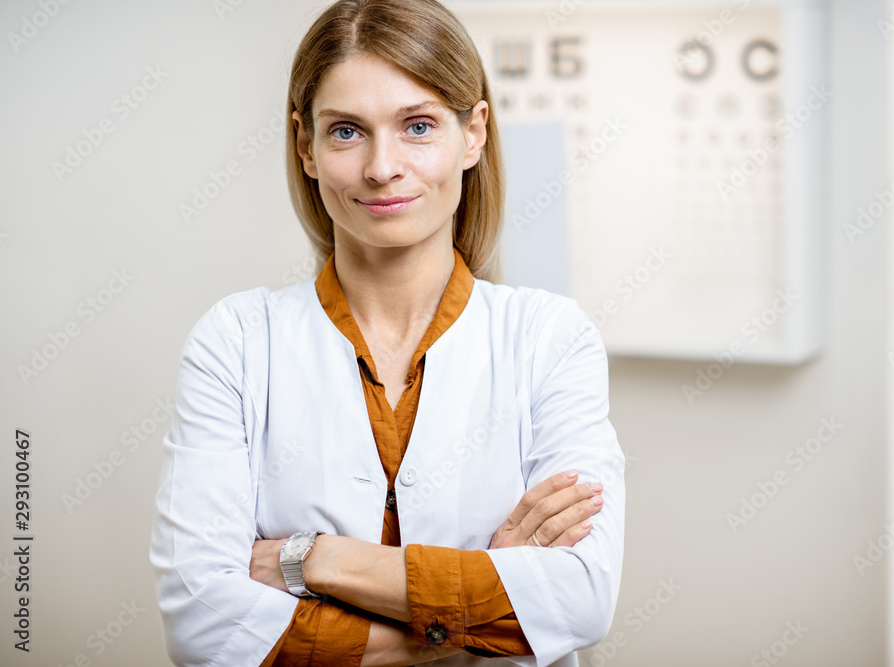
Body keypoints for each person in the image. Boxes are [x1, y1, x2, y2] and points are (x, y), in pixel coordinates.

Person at [148, 1, 626, 665]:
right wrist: (472, 606)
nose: (381, 166)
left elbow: (580, 598)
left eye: (418, 125)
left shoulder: (550, 338)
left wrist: (315, 560)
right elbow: (203, 627)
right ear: (305, 147)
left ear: (474, 133)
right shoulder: (235, 340)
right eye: (347, 131)